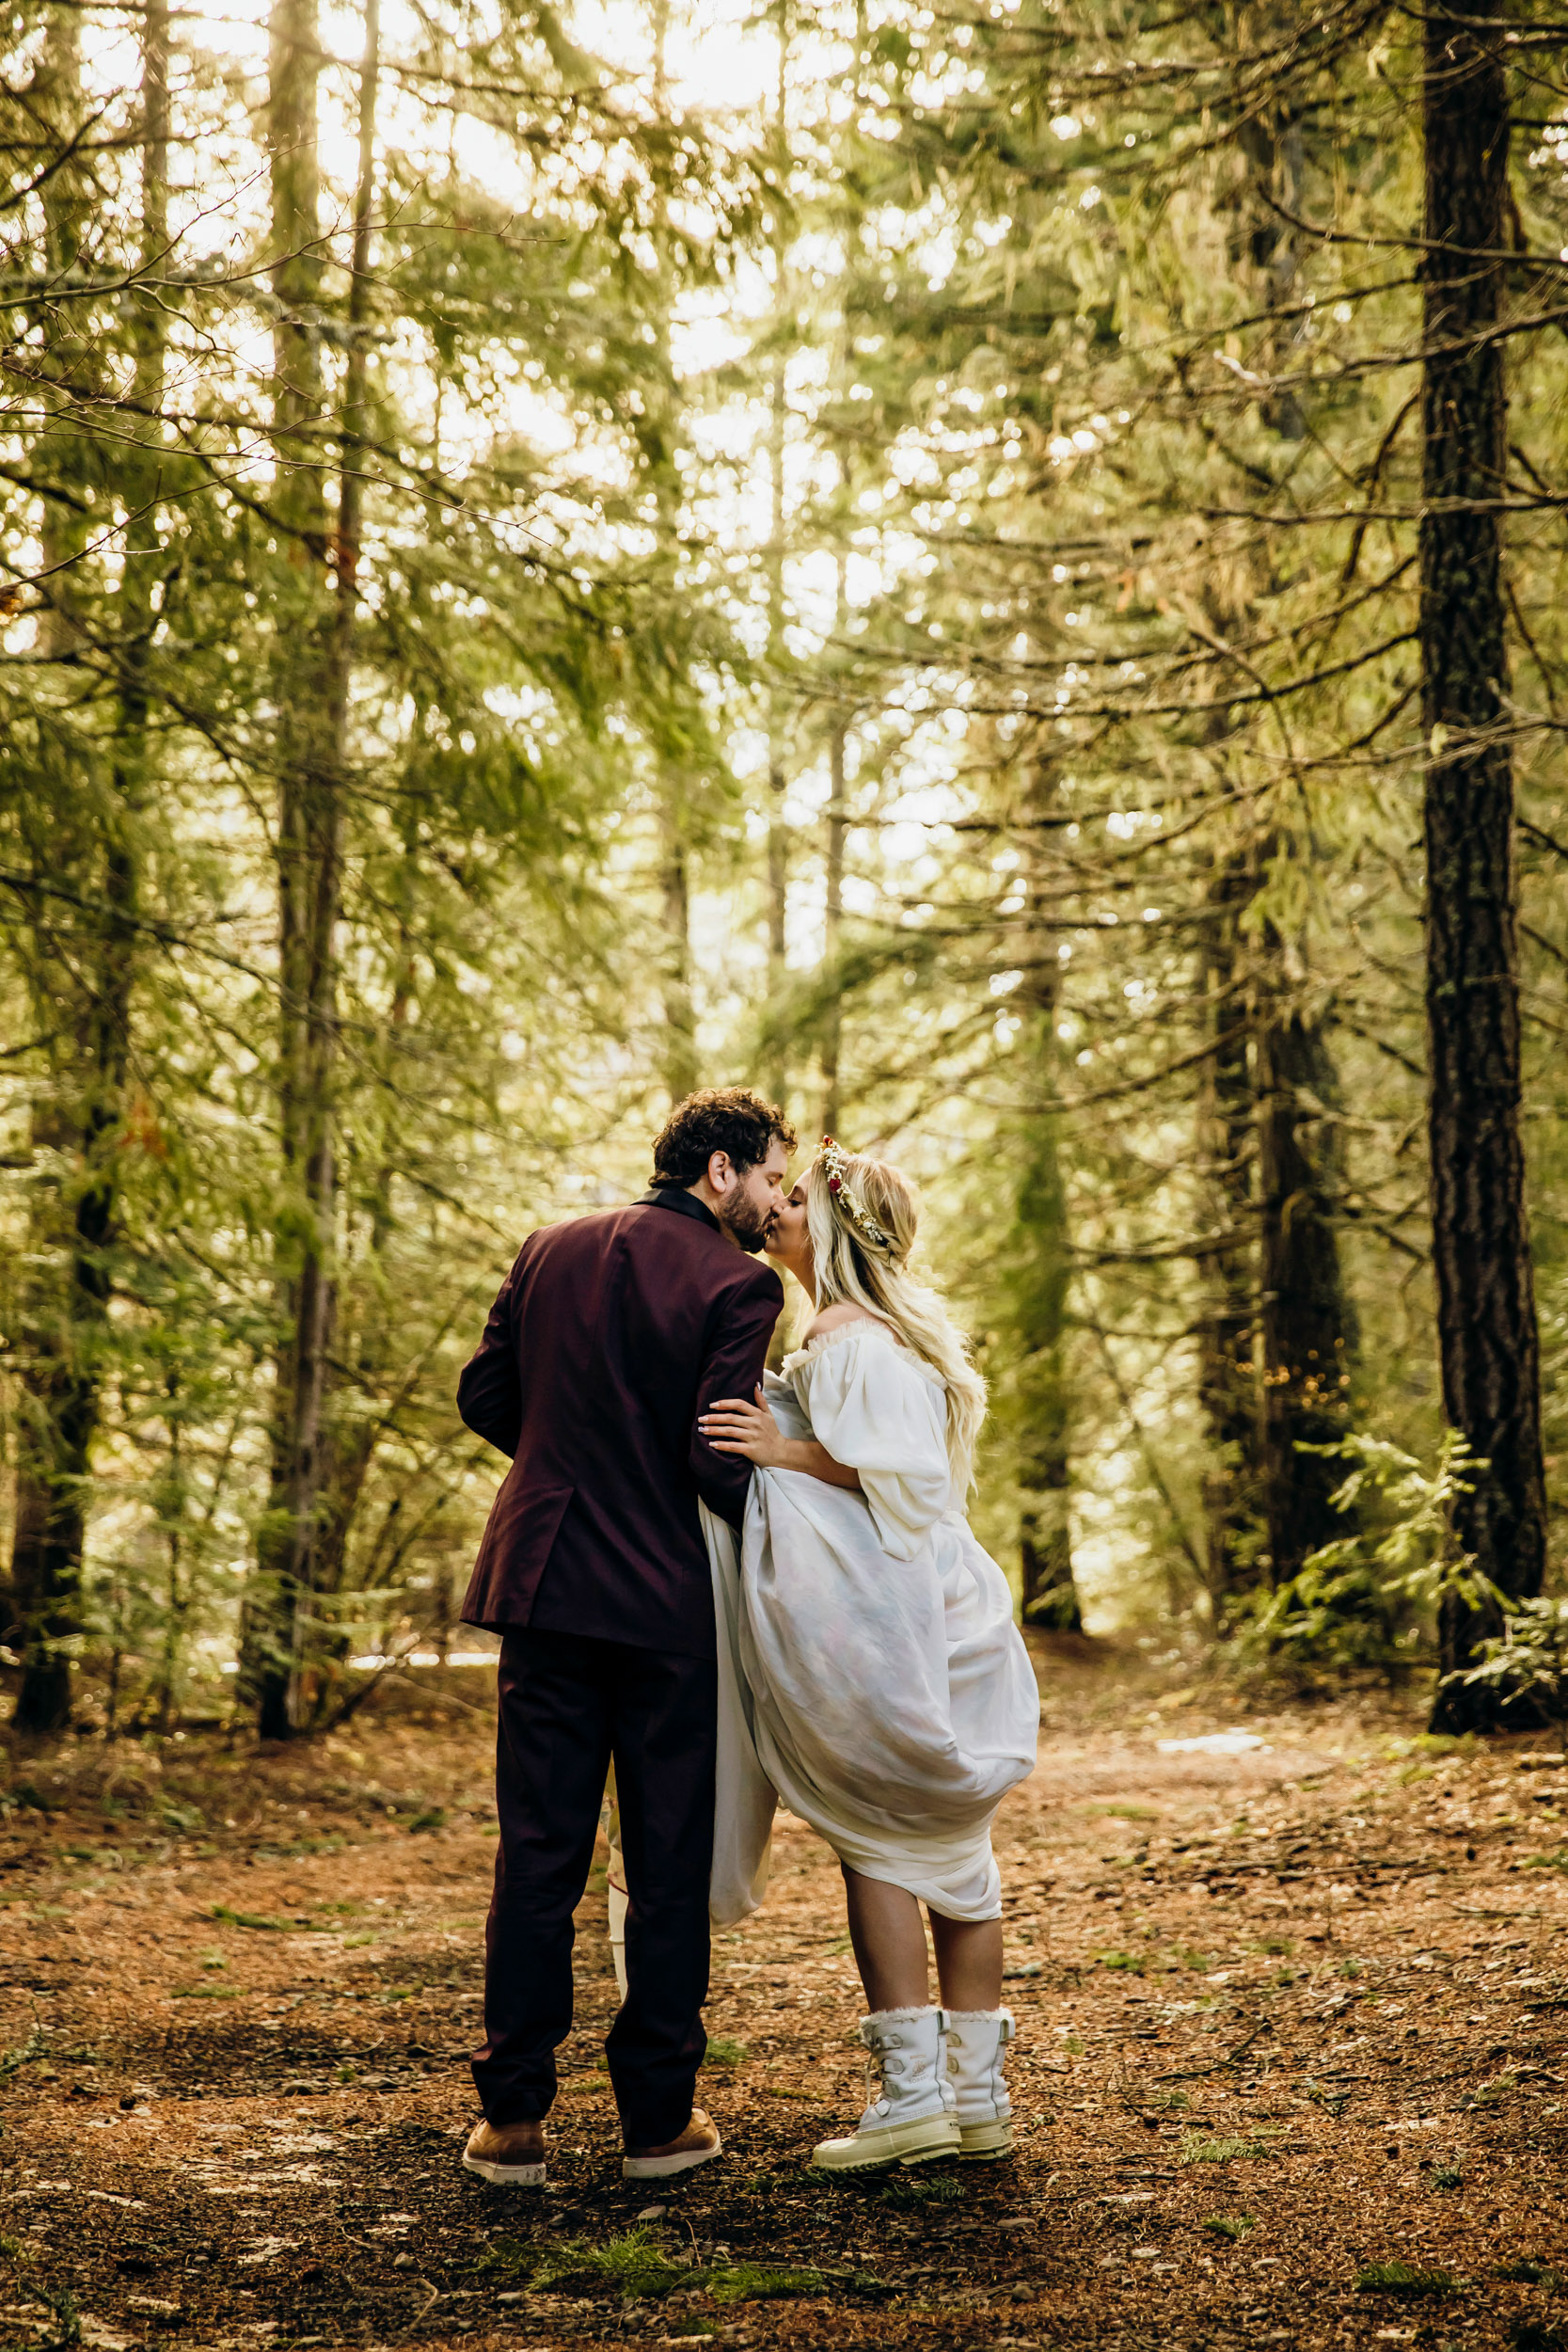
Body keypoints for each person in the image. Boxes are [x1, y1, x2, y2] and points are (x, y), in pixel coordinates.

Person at [453, 1087, 795, 2188]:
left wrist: (563, 1457)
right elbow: (710, 1455)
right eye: (772, 1177)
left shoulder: (546, 1246)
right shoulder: (739, 1283)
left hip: (545, 1581)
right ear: (719, 1171)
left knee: (538, 1852)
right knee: (664, 1859)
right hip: (659, 1600)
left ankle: (511, 2122)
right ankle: (656, 2122)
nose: (776, 1201)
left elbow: (483, 1394)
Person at [699, 1138, 1038, 2173]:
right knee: (954, 1855)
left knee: (880, 1839)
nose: (778, 1209)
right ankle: (973, 2101)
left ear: (837, 1226)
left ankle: (909, 2099)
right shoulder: (870, 1334)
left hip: (902, 1614)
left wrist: (779, 1449)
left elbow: (896, 1477)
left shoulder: (847, 1333)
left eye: (795, 1200)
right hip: (939, 1602)